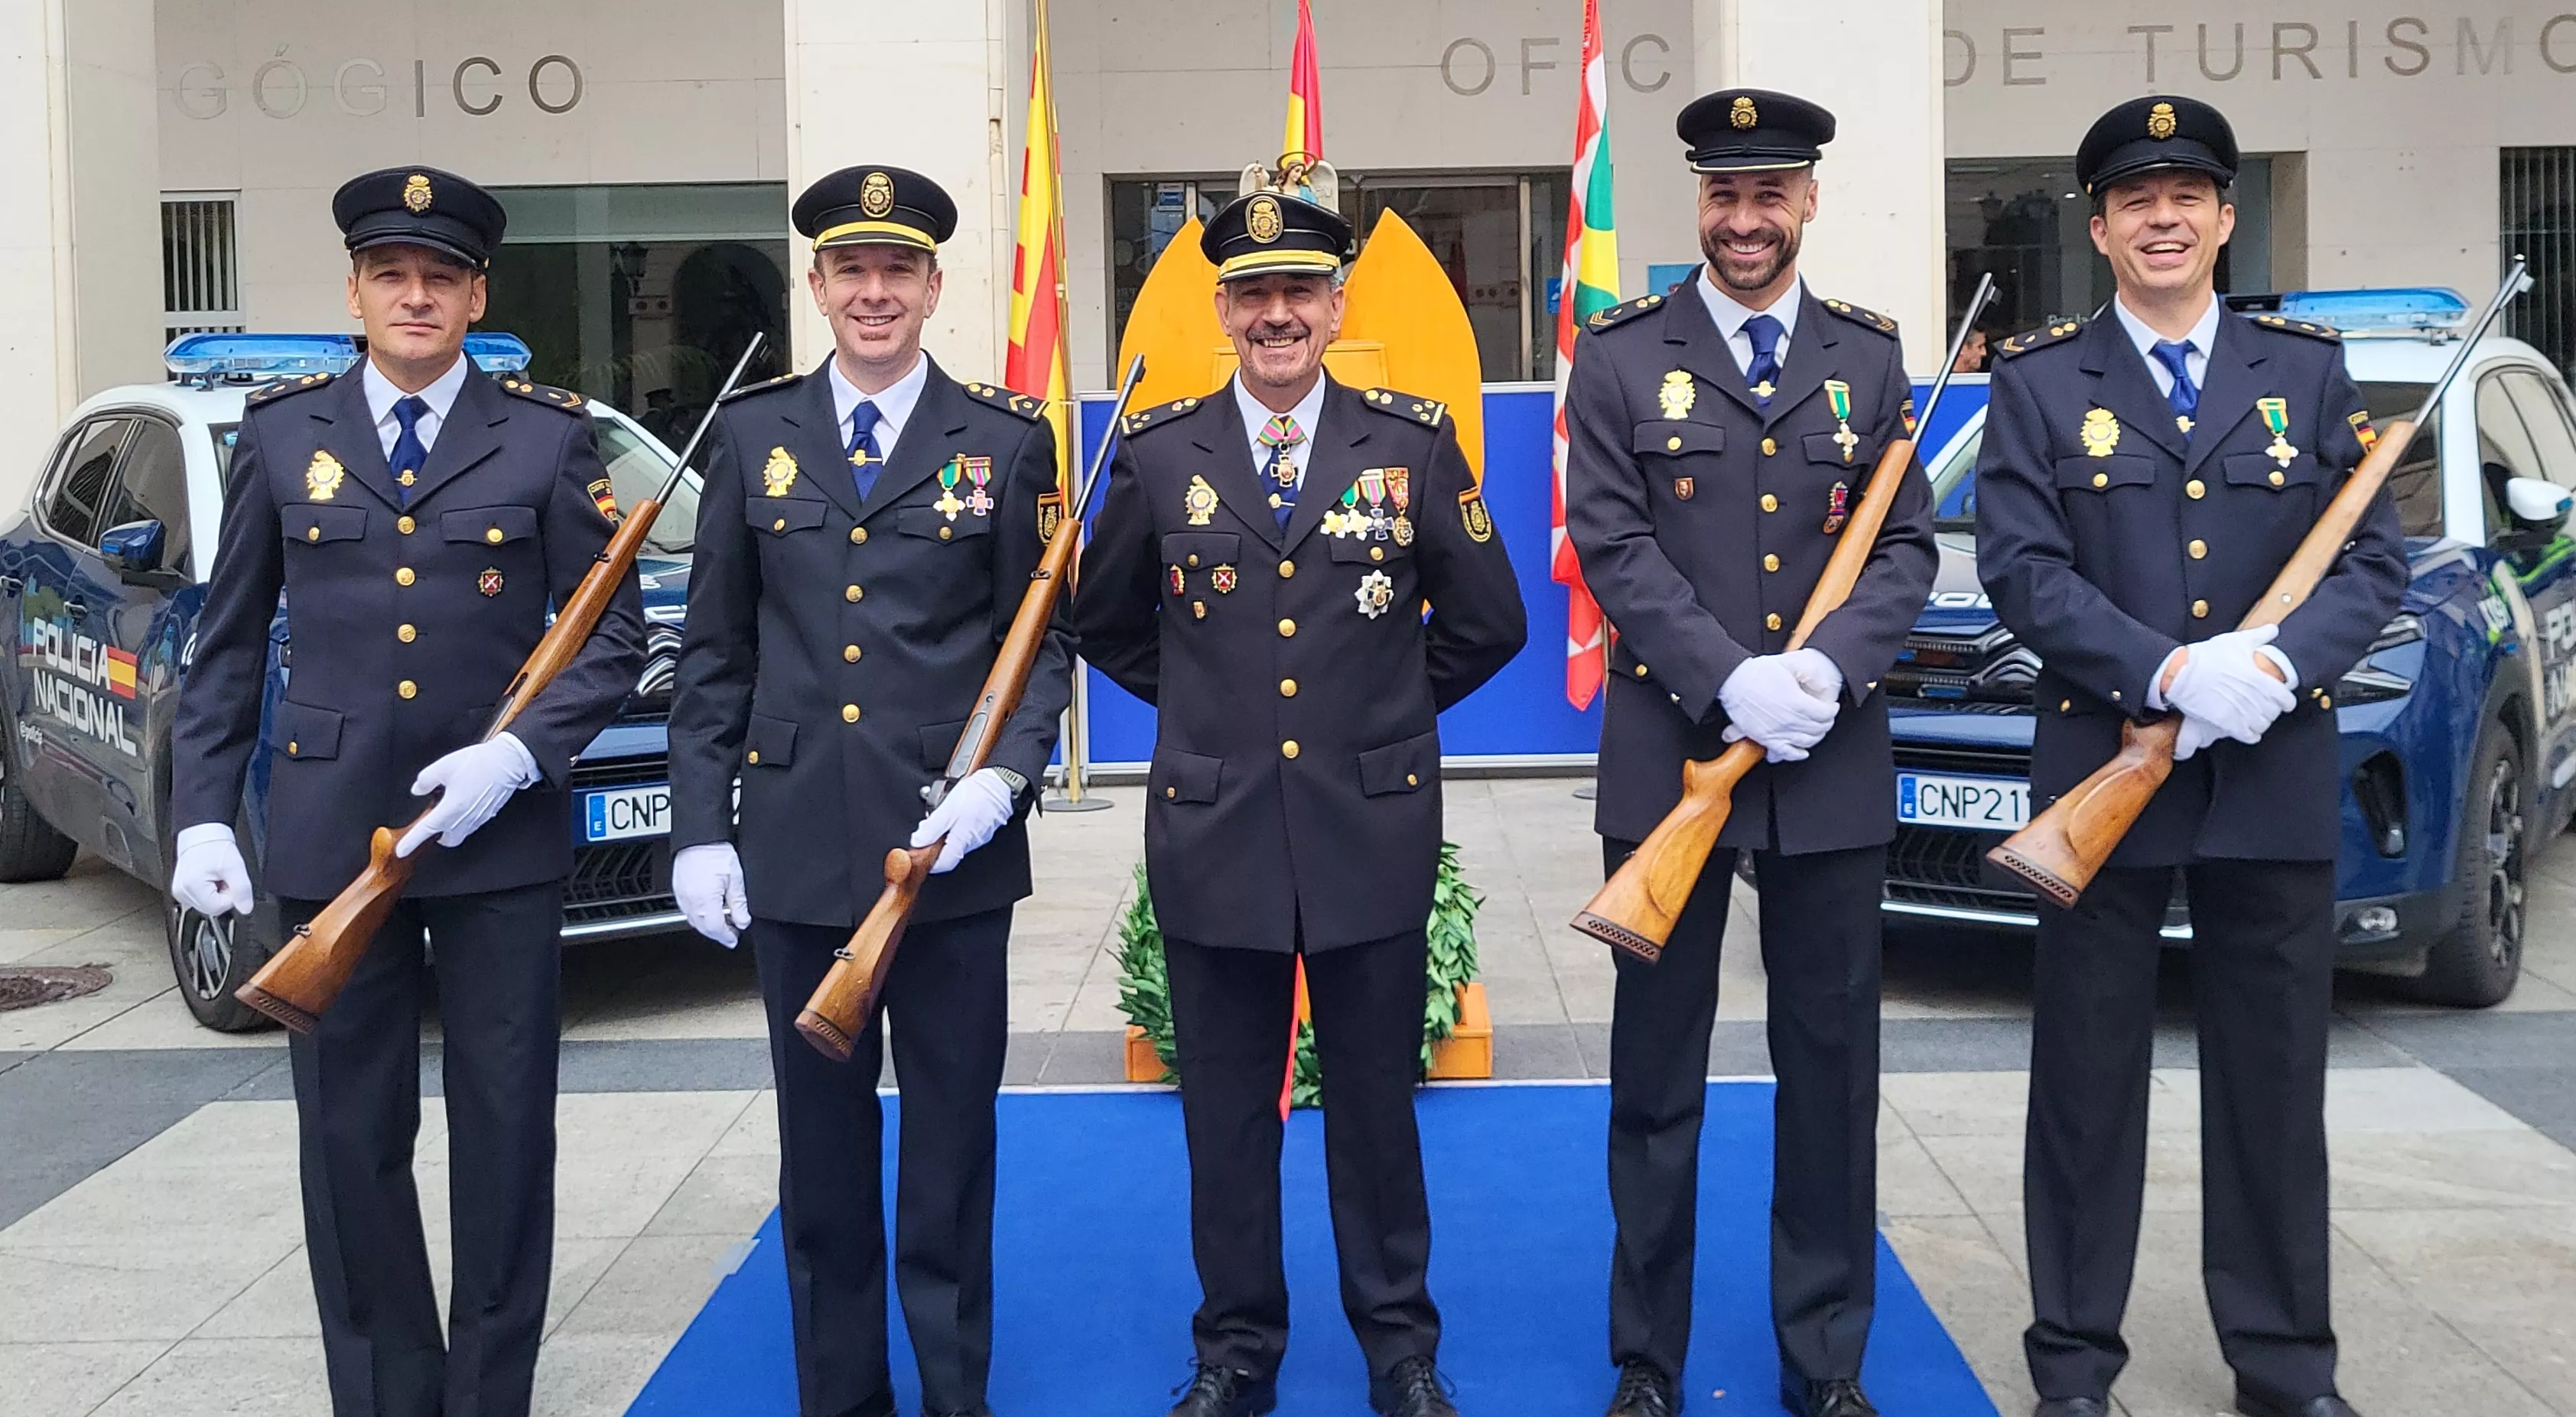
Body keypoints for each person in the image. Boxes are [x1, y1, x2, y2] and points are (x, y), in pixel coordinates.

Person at [166, 166, 646, 1417]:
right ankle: (386, 1396)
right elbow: (227, 643)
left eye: (442, 277)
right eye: (394, 275)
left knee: (503, 1137)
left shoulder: (545, 436)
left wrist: (520, 754)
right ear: (357, 289)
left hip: (498, 839)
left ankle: (490, 1398)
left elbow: (612, 633)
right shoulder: (282, 435)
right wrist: (205, 808)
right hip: (330, 839)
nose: (417, 297)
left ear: (477, 292)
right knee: (349, 1143)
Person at [1974, 96, 2407, 1417]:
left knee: (2274, 1087)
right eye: (2134, 201)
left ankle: (2283, 1367)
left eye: (2188, 197)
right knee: (2087, 1088)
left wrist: (2273, 667)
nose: (2163, 218)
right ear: (2099, 229)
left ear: (2224, 218)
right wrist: (2165, 672)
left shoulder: (2306, 374)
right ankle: (2073, 1370)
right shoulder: (2042, 382)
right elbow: (2020, 571)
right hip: (2108, 773)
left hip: (2267, 778)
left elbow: (2370, 556)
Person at [1076, 189, 1527, 1417]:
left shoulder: (1412, 444)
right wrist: (1209, 707)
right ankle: (1235, 1354)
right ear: (1221, 309)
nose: (1277, 315)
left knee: (1377, 1114)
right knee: (1226, 1122)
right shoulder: (1163, 452)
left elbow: (1492, 622)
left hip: (1368, 828)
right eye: (1254, 294)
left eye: (1300, 293)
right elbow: (1102, 618)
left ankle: (1401, 1353)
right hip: (1216, 830)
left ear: (1336, 308)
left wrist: (1376, 707)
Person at [667, 164, 1073, 1417]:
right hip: (793, 853)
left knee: (949, 1159)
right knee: (824, 1164)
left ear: (936, 285)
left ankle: (956, 1398)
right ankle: (841, 1399)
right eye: (854, 269)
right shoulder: (753, 436)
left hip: (947, 864)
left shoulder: (1006, 441)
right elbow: (717, 650)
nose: (877, 291)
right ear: (819, 284)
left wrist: (1005, 778)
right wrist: (698, 831)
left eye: (901, 270)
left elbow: (1040, 640)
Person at [1563, 88, 1938, 1417]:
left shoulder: (1872, 358)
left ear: (1809, 202)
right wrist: (1734, 681)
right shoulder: (1616, 359)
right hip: (1676, 758)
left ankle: (1825, 1361)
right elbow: (1609, 542)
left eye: (1770, 192)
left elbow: (1904, 548)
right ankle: (1646, 1361)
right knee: (1655, 1081)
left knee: (1831, 1072)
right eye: (1724, 195)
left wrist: (1824, 673)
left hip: (1829, 759)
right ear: (1697, 206)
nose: (1745, 219)